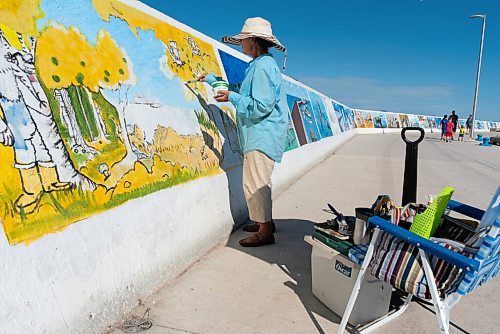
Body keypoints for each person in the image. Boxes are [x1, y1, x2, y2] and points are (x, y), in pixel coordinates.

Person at [199, 17, 288, 247]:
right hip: (260, 134)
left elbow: (261, 105)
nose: (241, 44)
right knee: (258, 180)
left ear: (253, 41)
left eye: (243, 40)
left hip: (262, 135)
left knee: (256, 182)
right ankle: (264, 222)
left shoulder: (264, 67)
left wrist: (232, 98)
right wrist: (213, 81)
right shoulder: (259, 66)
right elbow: (241, 89)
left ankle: (265, 232)